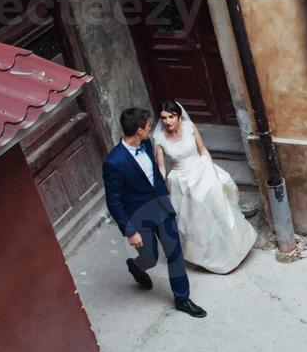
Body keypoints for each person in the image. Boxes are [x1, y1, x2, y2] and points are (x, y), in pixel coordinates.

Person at [102, 106, 207, 319]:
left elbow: (154, 175)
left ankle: (182, 298)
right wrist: (130, 230)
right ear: (140, 130)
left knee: (174, 253)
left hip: (161, 207)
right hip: (140, 216)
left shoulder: (146, 143)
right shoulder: (114, 162)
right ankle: (135, 266)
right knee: (150, 258)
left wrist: (165, 196)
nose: (152, 128)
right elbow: (113, 201)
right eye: (149, 126)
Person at [151, 101, 257, 273]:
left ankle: (233, 250)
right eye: (164, 118)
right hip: (181, 180)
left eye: (171, 117)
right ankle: (208, 257)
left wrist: (209, 169)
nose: (167, 121)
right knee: (196, 220)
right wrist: (160, 188)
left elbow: (203, 150)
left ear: (179, 116)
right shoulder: (160, 139)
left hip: (202, 171)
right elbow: (162, 167)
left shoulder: (190, 126)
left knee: (219, 209)